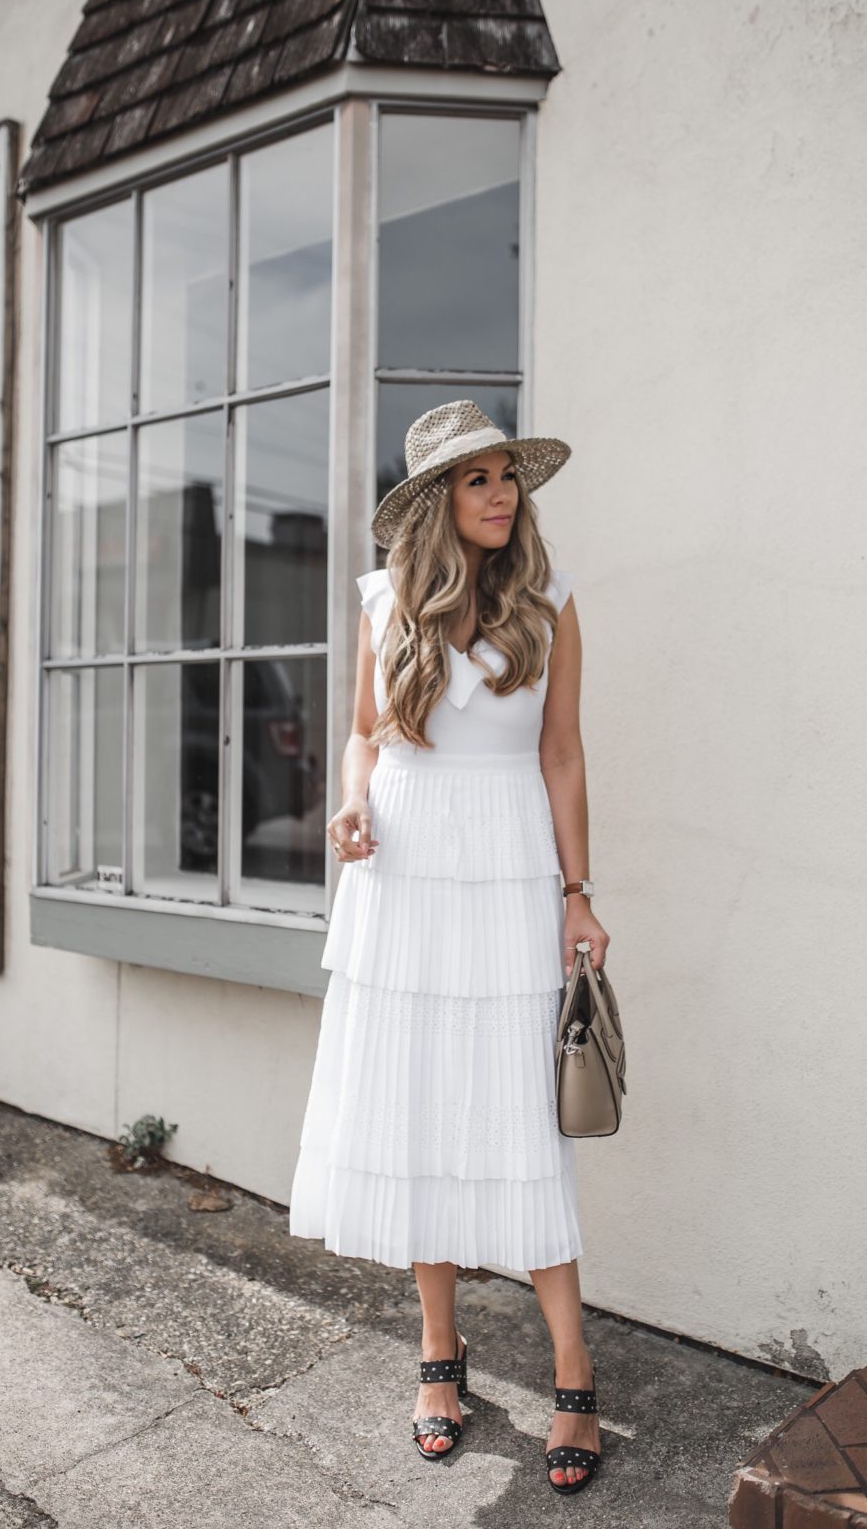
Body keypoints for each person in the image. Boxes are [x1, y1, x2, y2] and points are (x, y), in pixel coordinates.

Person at [288, 399, 611, 1495]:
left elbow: (560, 756)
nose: (501, 494)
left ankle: (573, 1362)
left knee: (520, 1114)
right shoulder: (386, 599)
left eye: (507, 476)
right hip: (407, 871)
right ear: (435, 501)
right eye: (476, 480)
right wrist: (350, 803)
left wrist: (578, 895)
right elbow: (364, 733)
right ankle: (440, 1356)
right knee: (422, 1103)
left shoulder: (551, 603)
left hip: (510, 873)